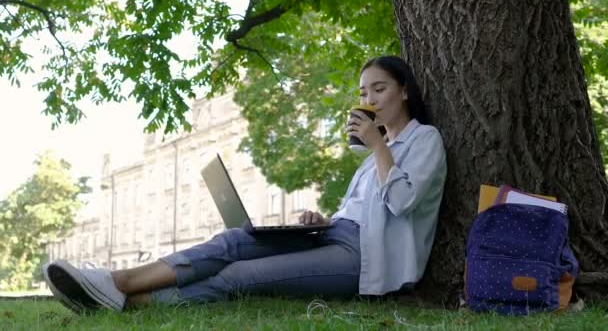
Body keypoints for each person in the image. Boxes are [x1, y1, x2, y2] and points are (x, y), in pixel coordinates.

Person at [42, 55, 447, 313]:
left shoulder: (423, 140)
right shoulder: (377, 153)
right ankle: (115, 282)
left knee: (238, 277)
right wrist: (324, 218)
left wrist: (376, 144)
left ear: (404, 90)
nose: (370, 99)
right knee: (232, 242)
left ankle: (133, 302)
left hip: (362, 260)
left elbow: (402, 203)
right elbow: (360, 212)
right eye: (363, 92)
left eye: (380, 89)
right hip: (332, 235)